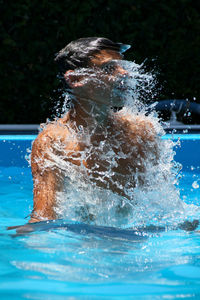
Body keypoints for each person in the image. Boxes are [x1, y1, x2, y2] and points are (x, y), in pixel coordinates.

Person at [29, 37, 158, 223]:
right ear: (76, 79)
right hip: (85, 243)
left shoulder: (140, 132)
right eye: (108, 68)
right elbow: (44, 218)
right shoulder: (53, 143)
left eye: (122, 65)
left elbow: (165, 208)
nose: (124, 73)